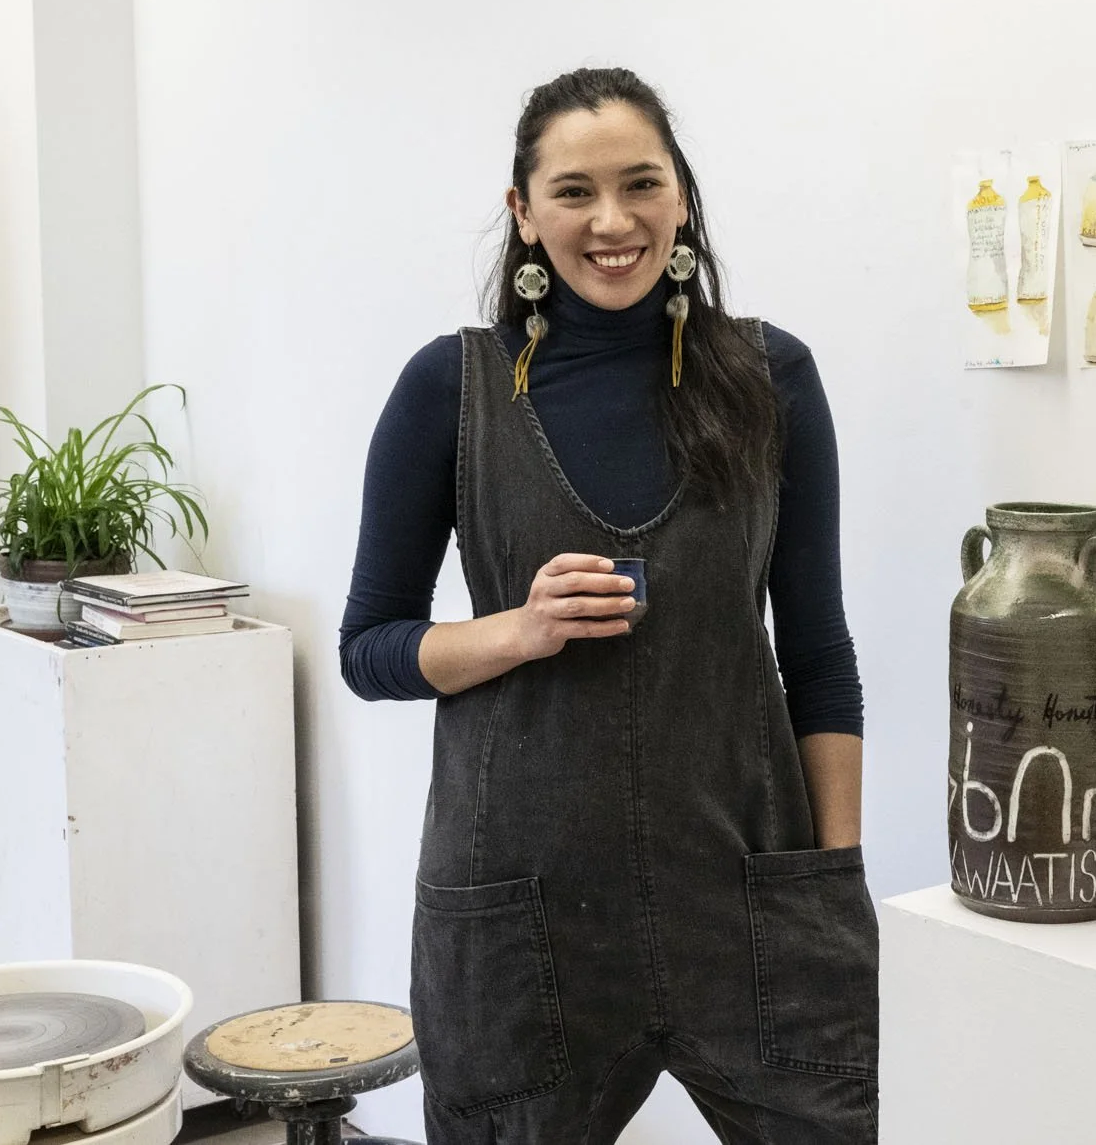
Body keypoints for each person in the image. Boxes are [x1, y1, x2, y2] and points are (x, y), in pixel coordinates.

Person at [338, 67, 877, 1144]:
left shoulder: (772, 377)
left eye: (641, 184)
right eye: (575, 192)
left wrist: (832, 877)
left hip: (752, 901)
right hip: (521, 922)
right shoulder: (450, 392)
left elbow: (817, 649)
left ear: (680, 196)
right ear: (524, 212)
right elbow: (369, 646)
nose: (613, 221)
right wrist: (514, 631)